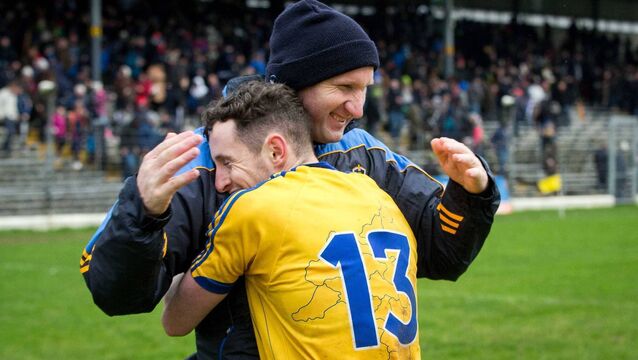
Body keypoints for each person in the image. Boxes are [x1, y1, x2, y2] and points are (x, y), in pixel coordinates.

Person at [81, 1, 500, 358]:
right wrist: (143, 213)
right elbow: (116, 293)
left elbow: (441, 252)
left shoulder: (364, 152)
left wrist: (470, 194)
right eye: (344, 86)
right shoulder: (202, 162)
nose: (357, 107)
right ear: (296, 84)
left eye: (365, 87)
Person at [163, 81, 421, 359]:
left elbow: (175, 322)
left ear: (275, 151)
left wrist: (184, 247)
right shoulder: (377, 196)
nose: (220, 182)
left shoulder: (251, 208)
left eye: (227, 162)